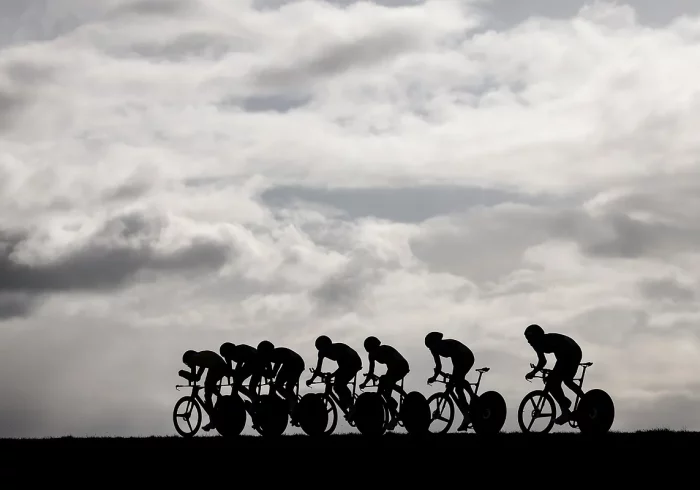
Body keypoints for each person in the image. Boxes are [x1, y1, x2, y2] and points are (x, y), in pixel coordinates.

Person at [524, 324, 585, 425]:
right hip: (570, 352)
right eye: (527, 339)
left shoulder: (541, 342)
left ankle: (566, 409)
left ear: (536, 337)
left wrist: (533, 372)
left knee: (554, 380)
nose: (528, 342)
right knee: (566, 380)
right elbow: (543, 361)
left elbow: (546, 361)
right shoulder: (539, 342)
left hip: (569, 352)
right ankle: (578, 402)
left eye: (530, 338)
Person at [425, 331, 476, 432]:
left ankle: (468, 412)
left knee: (458, 386)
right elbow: (438, 366)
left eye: (432, 345)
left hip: (466, 356)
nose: (431, 349)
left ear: (437, 342)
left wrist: (452, 376)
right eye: (429, 347)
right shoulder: (434, 349)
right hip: (459, 358)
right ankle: (469, 409)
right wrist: (434, 377)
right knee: (458, 380)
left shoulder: (446, 345)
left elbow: (456, 361)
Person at [306, 335, 362, 416]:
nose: (322, 351)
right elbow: (318, 369)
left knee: (339, 385)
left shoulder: (337, 349)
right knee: (338, 385)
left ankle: (351, 406)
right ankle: (347, 403)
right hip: (348, 362)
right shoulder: (324, 351)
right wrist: (312, 379)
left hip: (352, 362)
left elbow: (343, 366)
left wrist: (313, 379)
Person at [359, 336, 409, 418]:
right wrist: (364, 383)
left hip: (401, 366)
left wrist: (385, 381)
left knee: (384, 382)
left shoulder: (384, 350)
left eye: (373, 350)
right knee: (385, 390)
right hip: (393, 367)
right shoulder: (371, 355)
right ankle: (393, 415)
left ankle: (403, 398)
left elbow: (392, 367)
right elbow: (371, 371)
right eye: (371, 351)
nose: (372, 352)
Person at [182, 349, 228, 431]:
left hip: (217, 367)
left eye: (187, 363)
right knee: (208, 388)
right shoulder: (200, 358)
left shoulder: (195, 358)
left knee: (207, 392)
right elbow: (197, 377)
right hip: (219, 366)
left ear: (189, 359)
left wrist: (183, 373)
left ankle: (213, 420)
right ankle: (220, 403)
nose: (188, 365)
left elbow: (195, 377)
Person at [257, 340, 306, 417]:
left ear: (265, 351)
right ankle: (294, 404)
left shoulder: (275, 354)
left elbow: (275, 368)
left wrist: (271, 374)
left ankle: (293, 404)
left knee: (278, 386)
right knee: (289, 388)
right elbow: (271, 370)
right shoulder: (272, 354)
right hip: (298, 363)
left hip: (292, 363)